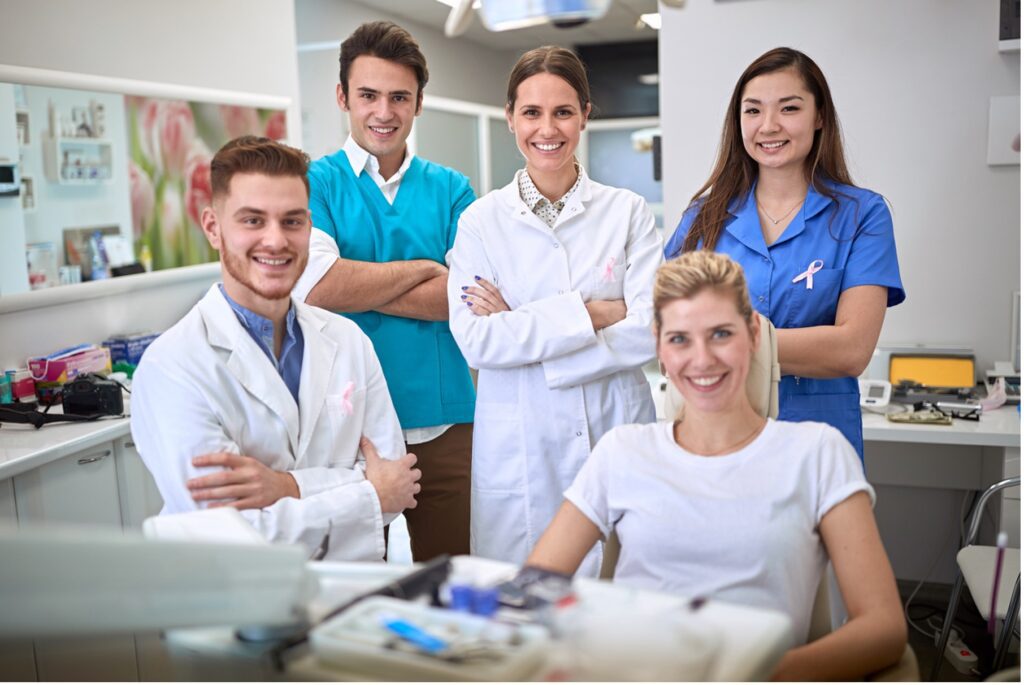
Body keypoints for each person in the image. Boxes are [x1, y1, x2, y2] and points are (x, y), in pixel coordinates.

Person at [527, 251, 907, 681]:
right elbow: (533, 588)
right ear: (659, 348)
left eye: (721, 334)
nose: (702, 359)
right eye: (680, 339)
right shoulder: (623, 451)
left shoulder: (817, 453)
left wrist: (751, 674)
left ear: (753, 335)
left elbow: (884, 628)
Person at [131, 136, 421, 561]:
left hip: (353, 597)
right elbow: (232, 537)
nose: (276, 241)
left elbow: (396, 483)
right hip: (238, 611)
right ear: (213, 227)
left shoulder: (348, 339)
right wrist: (366, 495)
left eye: (292, 221)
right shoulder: (173, 366)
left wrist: (285, 487)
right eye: (252, 220)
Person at [447, 46, 662, 574]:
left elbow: (653, 327)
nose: (548, 128)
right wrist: (588, 314)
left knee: (620, 600)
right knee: (520, 605)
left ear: (585, 114)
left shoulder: (627, 212)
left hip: (615, 428)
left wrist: (524, 328)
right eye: (532, 113)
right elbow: (477, 341)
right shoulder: (480, 222)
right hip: (520, 449)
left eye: (564, 111)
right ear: (510, 119)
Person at [663, 47, 904, 460]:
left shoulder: (863, 215)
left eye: (789, 108)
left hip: (817, 441)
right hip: (714, 436)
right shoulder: (703, 218)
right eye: (753, 111)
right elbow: (666, 331)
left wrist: (721, 341)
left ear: (819, 116)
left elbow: (852, 349)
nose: (769, 126)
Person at [292, 21, 475, 561]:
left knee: (451, 578)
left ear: (419, 104)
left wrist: (358, 279)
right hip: (345, 427)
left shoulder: (451, 189)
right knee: (348, 584)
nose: (384, 112)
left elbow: (464, 298)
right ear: (343, 97)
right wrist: (424, 266)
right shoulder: (315, 182)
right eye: (368, 95)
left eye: (400, 97)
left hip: (444, 421)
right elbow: (318, 286)